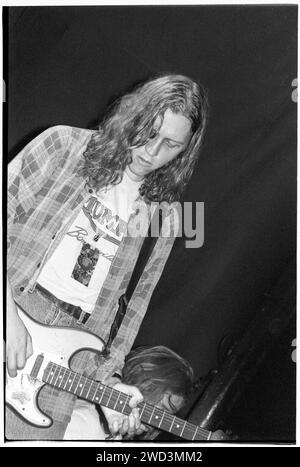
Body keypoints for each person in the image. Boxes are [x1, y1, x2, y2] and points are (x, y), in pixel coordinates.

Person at [6, 74, 208, 440]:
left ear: (185, 150)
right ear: (133, 114)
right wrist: (7, 313)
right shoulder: (63, 146)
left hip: (75, 350)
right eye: (149, 131)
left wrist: (110, 383)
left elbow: (131, 312)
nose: (151, 150)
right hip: (16, 303)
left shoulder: (164, 217)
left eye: (170, 144)